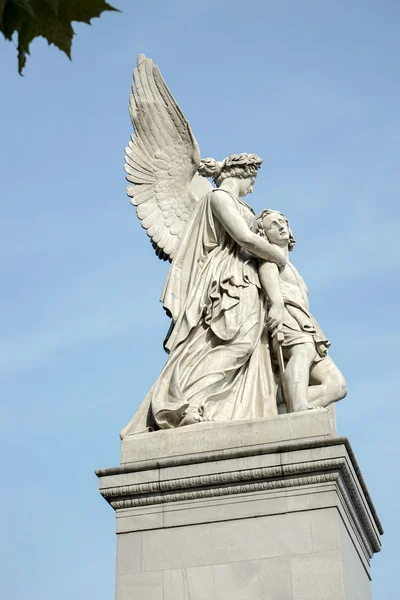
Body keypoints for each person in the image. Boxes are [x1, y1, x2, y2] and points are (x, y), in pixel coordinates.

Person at [121, 154, 285, 435]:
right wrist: (279, 257)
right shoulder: (219, 198)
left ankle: (205, 404)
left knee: (240, 345)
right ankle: (188, 403)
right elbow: (244, 239)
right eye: (252, 180)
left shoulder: (241, 204)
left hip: (245, 276)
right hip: (227, 279)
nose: (253, 188)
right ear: (241, 173)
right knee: (237, 343)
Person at [257, 209, 347, 412]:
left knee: (337, 385)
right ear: (264, 233)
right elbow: (268, 273)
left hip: (305, 321)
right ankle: (299, 406)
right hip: (287, 314)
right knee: (303, 349)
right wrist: (277, 304)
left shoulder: (290, 265)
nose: (281, 226)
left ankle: (277, 407)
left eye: (283, 221)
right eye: (273, 224)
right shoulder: (270, 258)